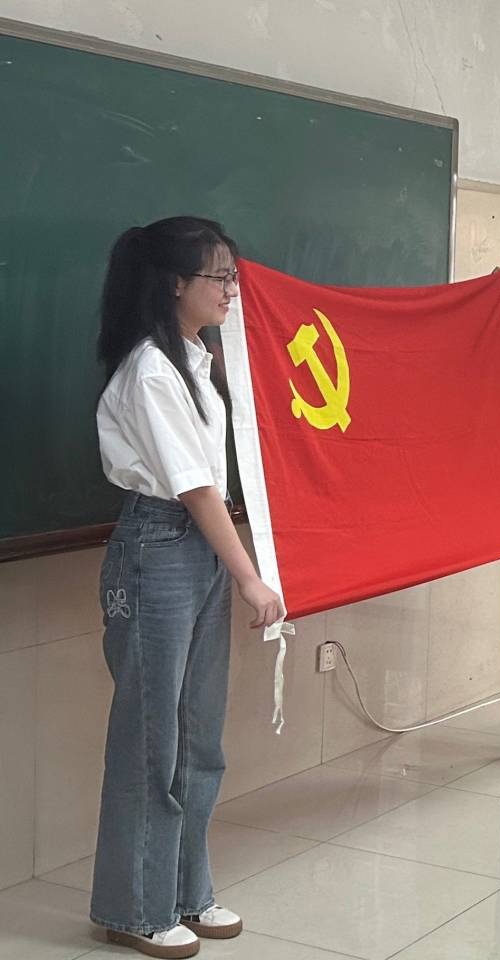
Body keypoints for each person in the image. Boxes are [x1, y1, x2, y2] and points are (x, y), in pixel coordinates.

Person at [91, 216, 284, 959]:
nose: (233, 289)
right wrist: (249, 576)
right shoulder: (150, 370)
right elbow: (195, 487)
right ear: (176, 284)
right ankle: (134, 908)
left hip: (198, 548)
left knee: (200, 736)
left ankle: (186, 889)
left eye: (234, 275)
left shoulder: (199, 359)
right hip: (158, 548)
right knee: (153, 739)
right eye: (220, 277)